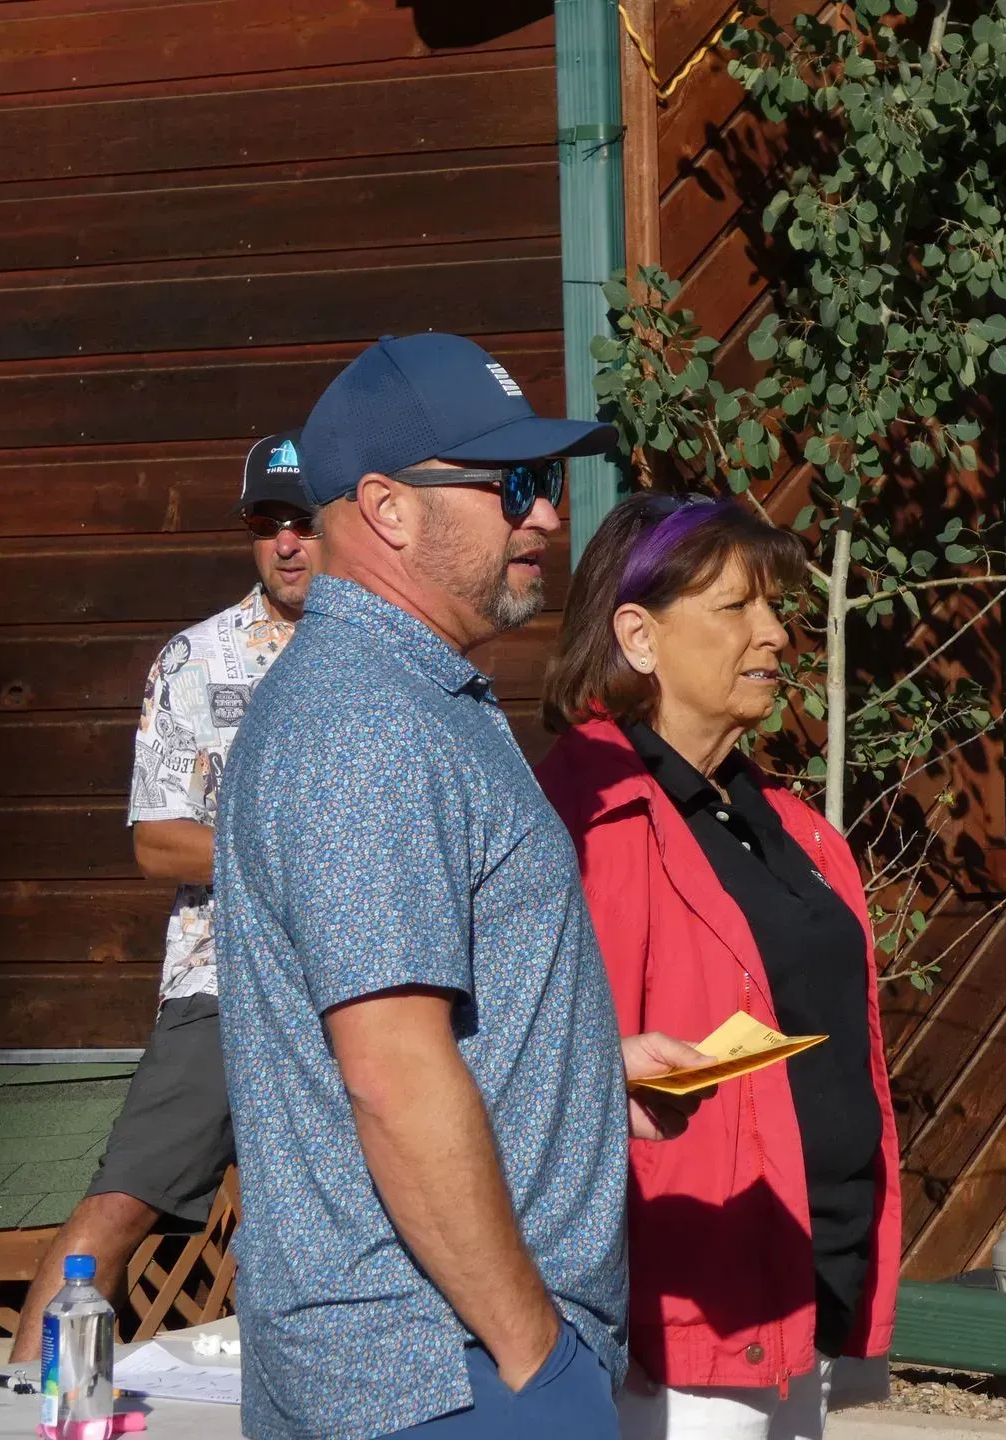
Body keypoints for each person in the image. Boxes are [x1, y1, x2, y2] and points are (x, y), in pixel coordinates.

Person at [215, 334, 712, 1440]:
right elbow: (391, 1073)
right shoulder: (367, 724)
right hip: (445, 1373)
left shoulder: (417, 699)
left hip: (451, 1362)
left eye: (554, 484)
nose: (547, 516)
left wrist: (579, 1069)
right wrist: (535, 1354)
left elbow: (419, 1015)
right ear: (388, 508)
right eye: (516, 486)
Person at [535, 492, 901, 1440]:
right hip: (684, 1306)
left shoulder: (788, 823)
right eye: (738, 608)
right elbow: (544, 1063)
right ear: (638, 636)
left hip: (812, 1272)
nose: (776, 634)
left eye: (774, 607)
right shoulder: (581, 819)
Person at [11, 432, 320, 1364]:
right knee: (114, 1211)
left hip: (364, 986)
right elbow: (157, 841)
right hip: (223, 981)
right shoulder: (196, 659)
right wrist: (299, 857)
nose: (290, 542)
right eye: (269, 523)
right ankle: (25, 1414)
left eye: (306, 519)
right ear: (247, 534)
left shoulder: (387, 656)